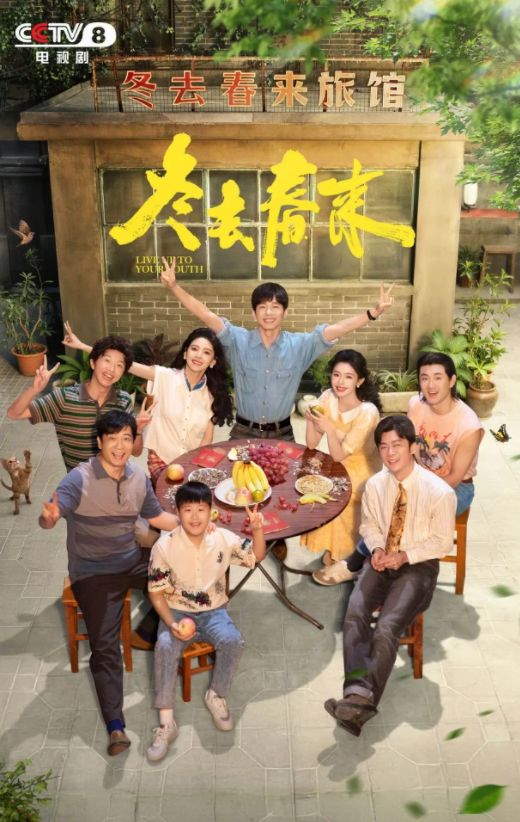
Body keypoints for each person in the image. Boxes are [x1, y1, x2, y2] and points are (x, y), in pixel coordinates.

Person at [38, 411, 180, 756]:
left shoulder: (137, 477)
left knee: (182, 576)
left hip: (131, 559)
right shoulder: (79, 479)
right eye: (112, 438)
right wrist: (49, 517)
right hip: (93, 573)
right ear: (100, 441)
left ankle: (152, 629)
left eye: (126, 438)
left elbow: (156, 517)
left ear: (133, 442)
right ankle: (116, 727)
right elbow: (53, 513)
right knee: (104, 647)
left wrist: (195, 522)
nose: (119, 446)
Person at [159, 256, 394, 441]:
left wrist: (372, 313)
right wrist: (174, 287)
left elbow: (336, 330)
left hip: (283, 433)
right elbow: (207, 315)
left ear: (285, 312)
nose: (269, 313)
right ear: (254, 313)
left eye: (275, 307)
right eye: (262, 307)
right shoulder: (237, 341)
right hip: (243, 431)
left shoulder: (300, 345)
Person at [324, 415, 456, 737]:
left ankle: (359, 700)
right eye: (383, 446)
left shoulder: (439, 492)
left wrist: (404, 556)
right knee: (355, 611)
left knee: (386, 627)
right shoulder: (375, 485)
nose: (390, 453)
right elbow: (369, 525)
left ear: (412, 447)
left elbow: (441, 542)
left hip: (419, 566)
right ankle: (357, 698)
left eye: (397, 445)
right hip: (382, 559)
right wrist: (378, 548)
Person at [145, 480, 266, 762]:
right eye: (188, 510)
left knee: (234, 641)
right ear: (178, 512)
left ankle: (216, 695)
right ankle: (166, 724)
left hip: (214, 611)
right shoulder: (164, 546)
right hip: (176, 612)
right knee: (164, 647)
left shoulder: (222, 538)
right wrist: (171, 624)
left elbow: (256, 556)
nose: (195, 517)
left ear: (210, 511)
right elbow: (156, 594)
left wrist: (257, 529)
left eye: (201, 509)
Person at [63, 324, 233, 488]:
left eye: (206, 352)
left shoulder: (211, 395)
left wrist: (197, 467)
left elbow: (207, 439)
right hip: (161, 460)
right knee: (174, 494)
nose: (199, 355)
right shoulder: (163, 376)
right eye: (194, 349)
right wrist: (82, 346)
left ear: (213, 361)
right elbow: (126, 363)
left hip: (191, 463)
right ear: (185, 352)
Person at [299, 350, 381, 581]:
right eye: (336, 375)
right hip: (337, 463)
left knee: (335, 492)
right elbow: (312, 443)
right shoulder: (328, 397)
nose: (340, 382)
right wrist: (311, 419)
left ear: (360, 381)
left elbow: (339, 454)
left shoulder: (367, 412)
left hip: (362, 470)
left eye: (348, 376)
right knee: (309, 484)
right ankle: (334, 549)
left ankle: (348, 561)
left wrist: (327, 426)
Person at [7, 334, 143, 470]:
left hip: (115, 479)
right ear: (93, 363)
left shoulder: (123, 401)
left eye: (119, 365)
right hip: (78, 481)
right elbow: (14, 414)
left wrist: (138, 430)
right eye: (107, 360)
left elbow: (136, 452)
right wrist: (34, 389)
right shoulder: (64, 398)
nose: (112, 369)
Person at [408, 352, 484, 515]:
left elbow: (455, 478)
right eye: (425, 378)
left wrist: (418, 493)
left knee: (414, 513)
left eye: (438, 378)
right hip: (421, 478)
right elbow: (409, 447)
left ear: (452, 381)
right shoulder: (415, 405)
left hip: (456, 488)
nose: (431, 385)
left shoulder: (469, 426)